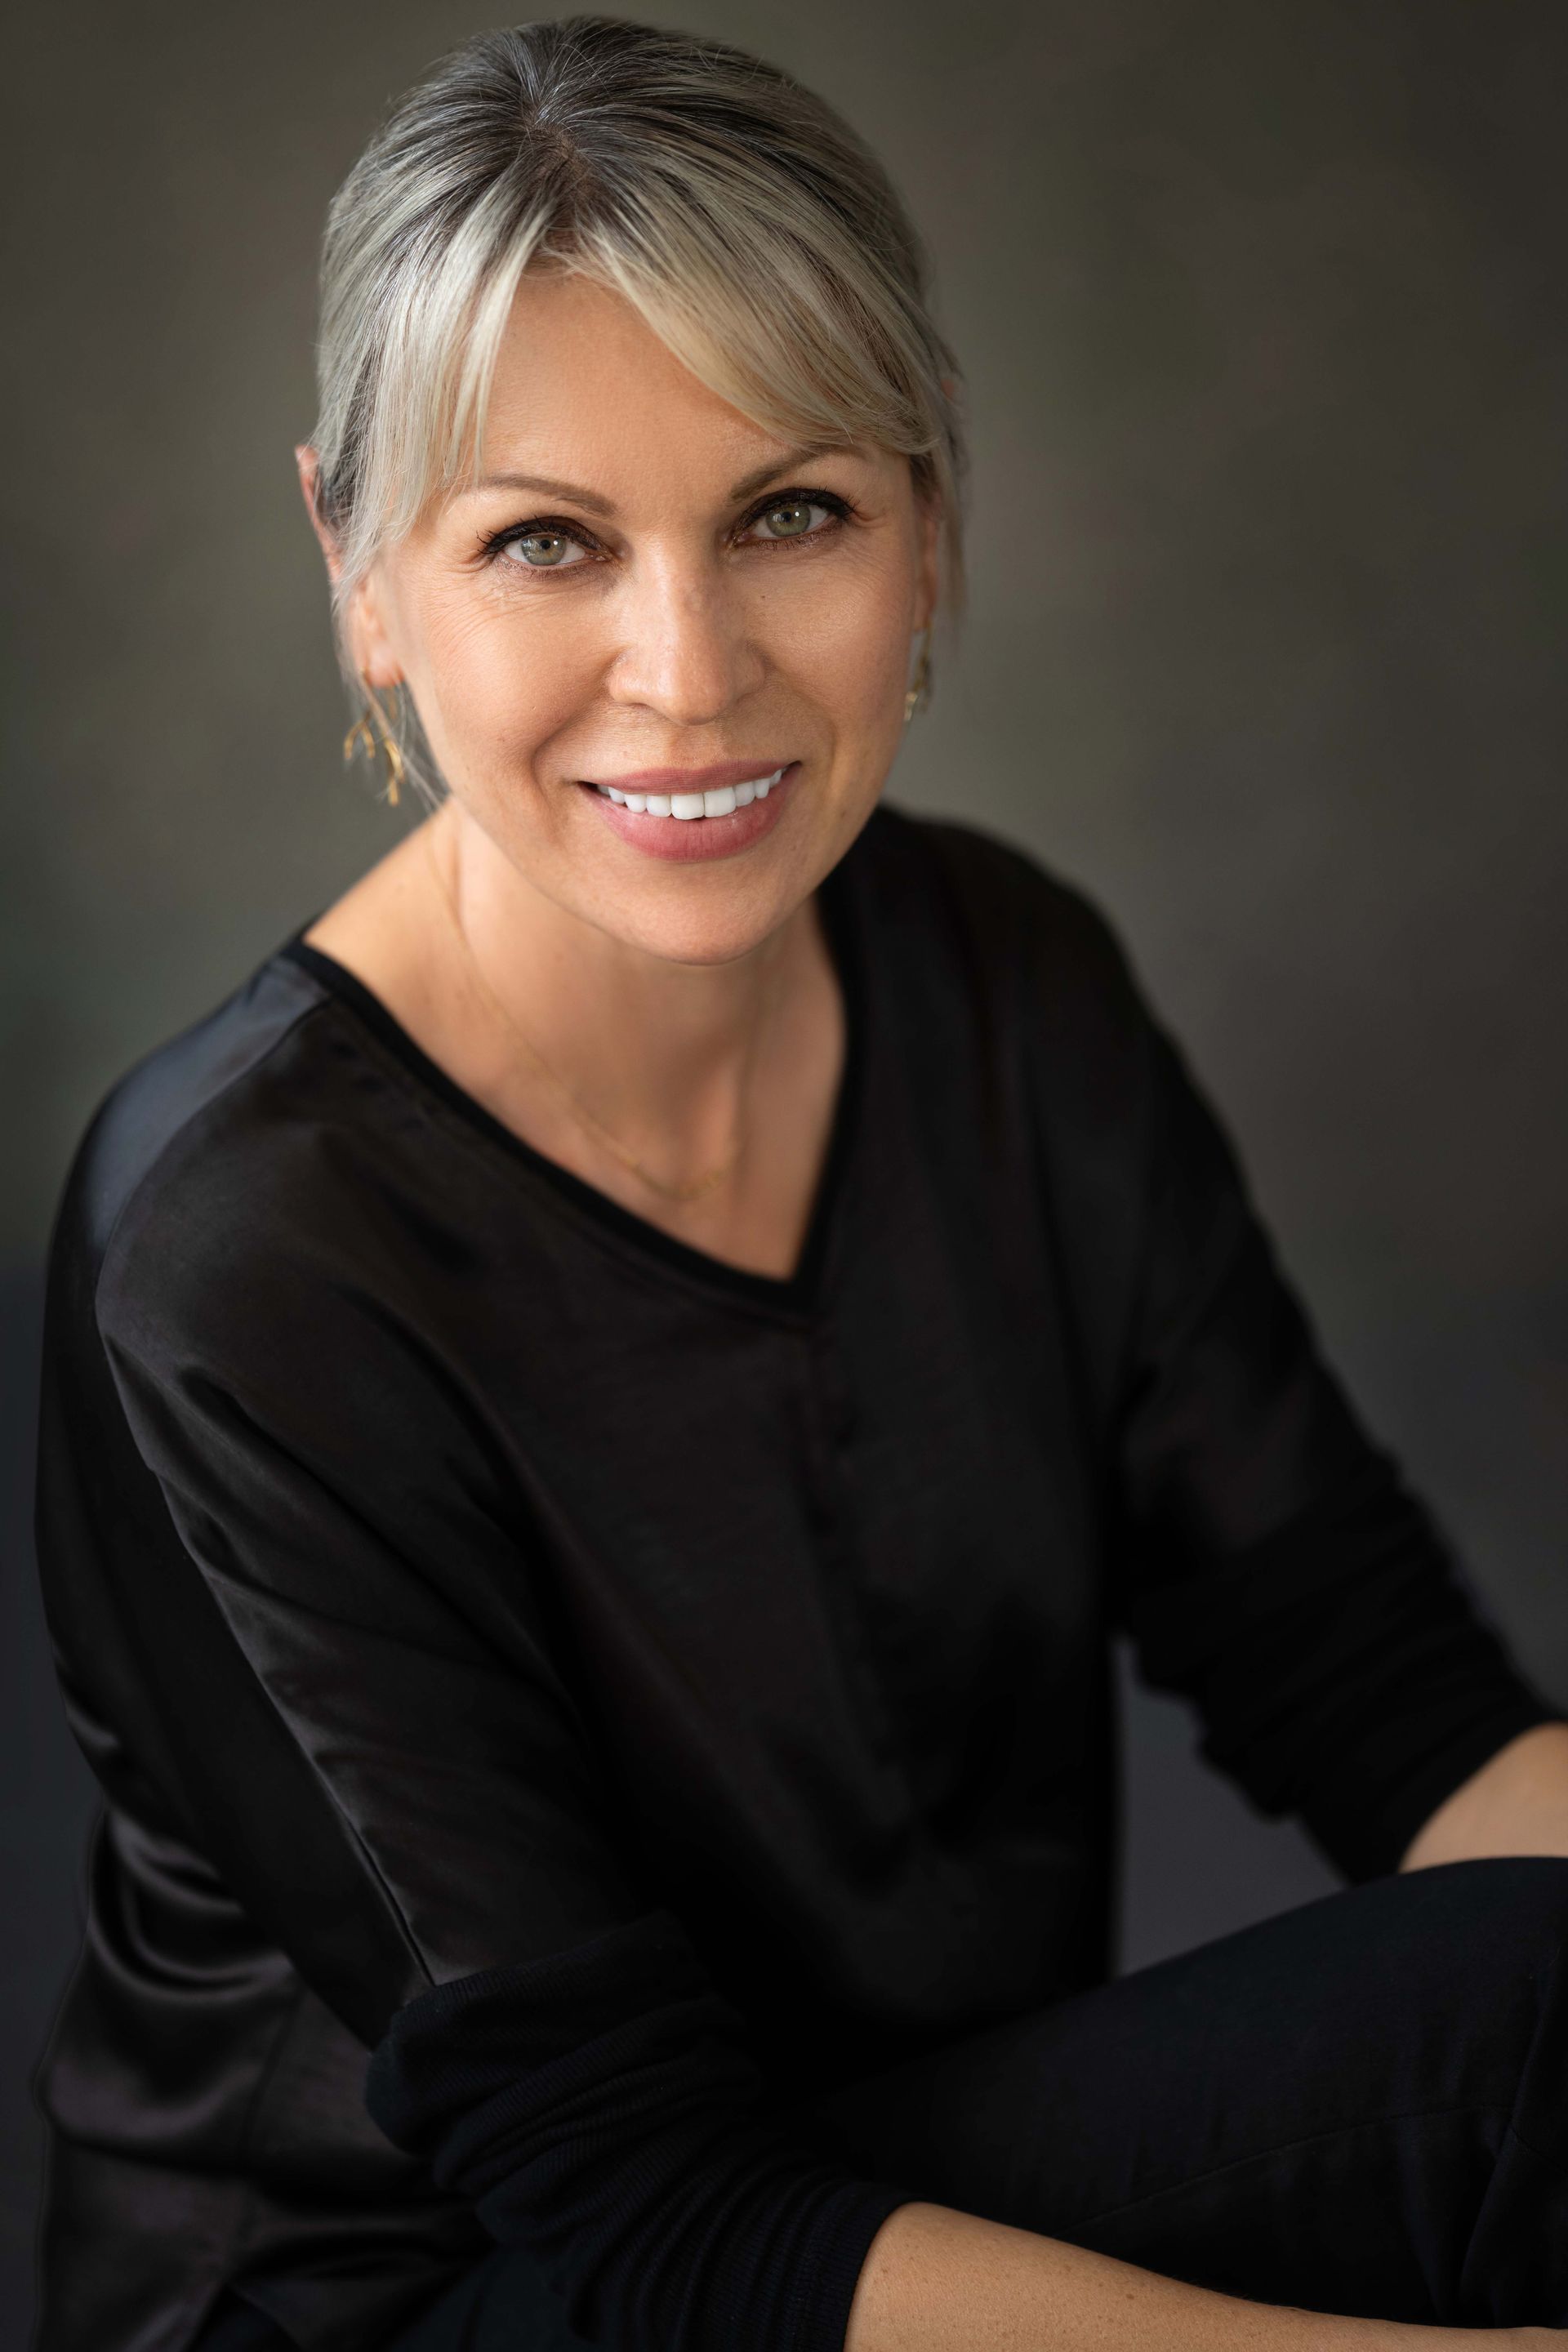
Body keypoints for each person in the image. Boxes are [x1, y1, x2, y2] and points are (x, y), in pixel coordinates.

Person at [30, 17, 1568, 2352]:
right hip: (477, 2297)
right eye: (547, 540)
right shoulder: (233, 1257)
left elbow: (1393, 1710)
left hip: (876, 2178)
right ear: (360, 567)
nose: (691, 670)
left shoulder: (1001, 986)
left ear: (929, 524)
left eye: (791, 513)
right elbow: (653, 2224)